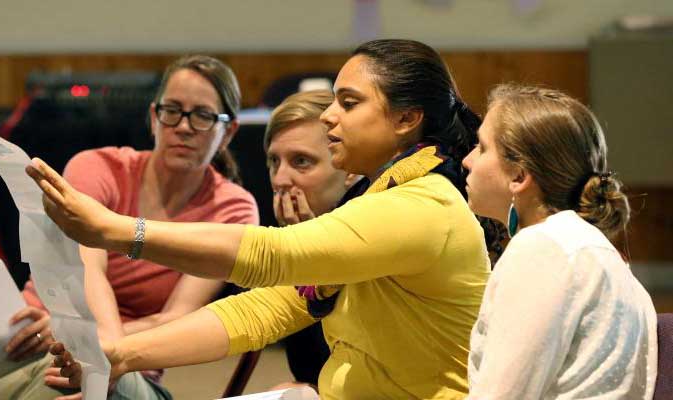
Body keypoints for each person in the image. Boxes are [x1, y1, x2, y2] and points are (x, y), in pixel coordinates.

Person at [30, 39, 492, 399]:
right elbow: (265, 307)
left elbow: (275, 254)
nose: (330, 116)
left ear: (407, 118)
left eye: (349, 104)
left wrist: (115, 231)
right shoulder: (382, 198)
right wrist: (122, 354)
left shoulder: (422, 204)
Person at [0, 55, 259, 400]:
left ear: (228, 131)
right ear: (154, 117)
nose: (183, 126)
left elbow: (178, 319)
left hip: (130, 367)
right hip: (29, 336)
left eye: (202, 116)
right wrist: (73, 335)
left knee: (69, 379)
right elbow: (88, 269)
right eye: (172, 111)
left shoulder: (233, 209)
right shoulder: (99, 168)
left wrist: (85, 340)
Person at [462, 84, 657, 399]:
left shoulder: (544, 249)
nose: (468, 160)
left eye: (482, 148)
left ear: (519, 176)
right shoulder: (584, 248)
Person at [264, 89, 360, 389]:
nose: (280, 179)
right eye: (274, 161)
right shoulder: (287, 232)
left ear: (349, 169)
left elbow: (345, 369)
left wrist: (311, 259)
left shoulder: (371, 236)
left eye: (301, 161)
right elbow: (307, 369)